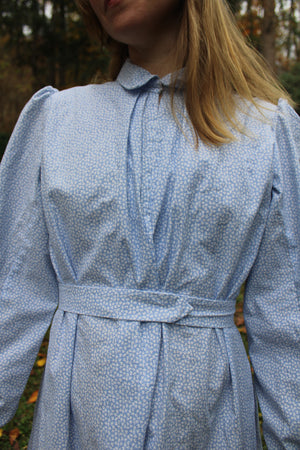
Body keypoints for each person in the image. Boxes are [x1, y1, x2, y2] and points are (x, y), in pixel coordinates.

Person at [0, 0, 299, 448]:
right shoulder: (57, 120)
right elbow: (11, 293)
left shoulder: (264, 133)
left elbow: (287, 316)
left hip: (208, 419)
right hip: (80, 415)